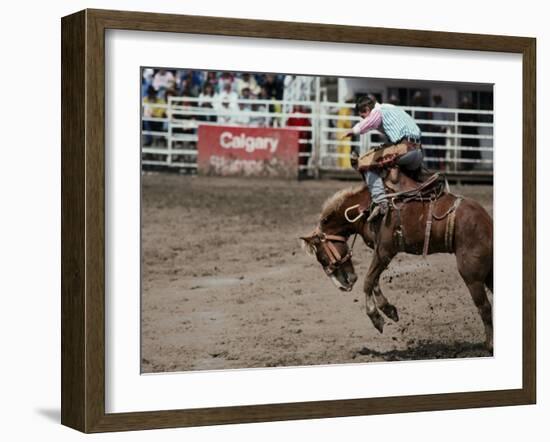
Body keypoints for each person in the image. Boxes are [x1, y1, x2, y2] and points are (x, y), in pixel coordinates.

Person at [343, 95, 424, 222]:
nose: (363, 118)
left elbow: (370, 122)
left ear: (367, 109)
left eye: (362, 116)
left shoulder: (378, 111)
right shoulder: (390, 108)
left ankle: (381, 202)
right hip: (418, 150)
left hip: (405, 148)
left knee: (365, 163)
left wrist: (353, 130)